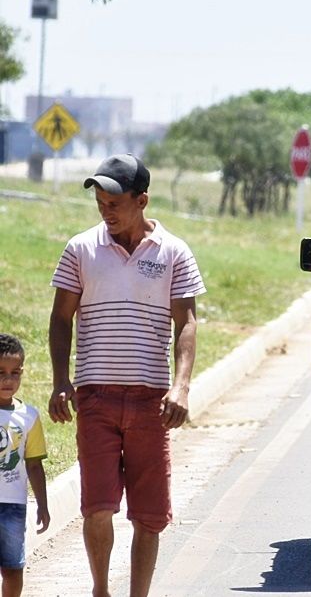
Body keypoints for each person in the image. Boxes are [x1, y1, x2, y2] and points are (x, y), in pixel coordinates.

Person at [48, 153, 205, 597]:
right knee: (97, 507)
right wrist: (62, 380)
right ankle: (101, 590)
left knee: (149, 516)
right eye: (100, 201)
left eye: (114, 201)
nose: (106, 209)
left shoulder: (174, 251)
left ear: (142, 200)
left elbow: (187, 322)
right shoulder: (81, 249)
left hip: (150, 402)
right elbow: (61, 319)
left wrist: (181, 386)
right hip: (95, 397)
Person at [0, 334, 49, 597]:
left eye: (15, 373)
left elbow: (34, 464)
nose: (8, 380)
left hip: (13, 508)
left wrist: (42, 503)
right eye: (0, 372)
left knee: (12, 568)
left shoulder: (29, 416)